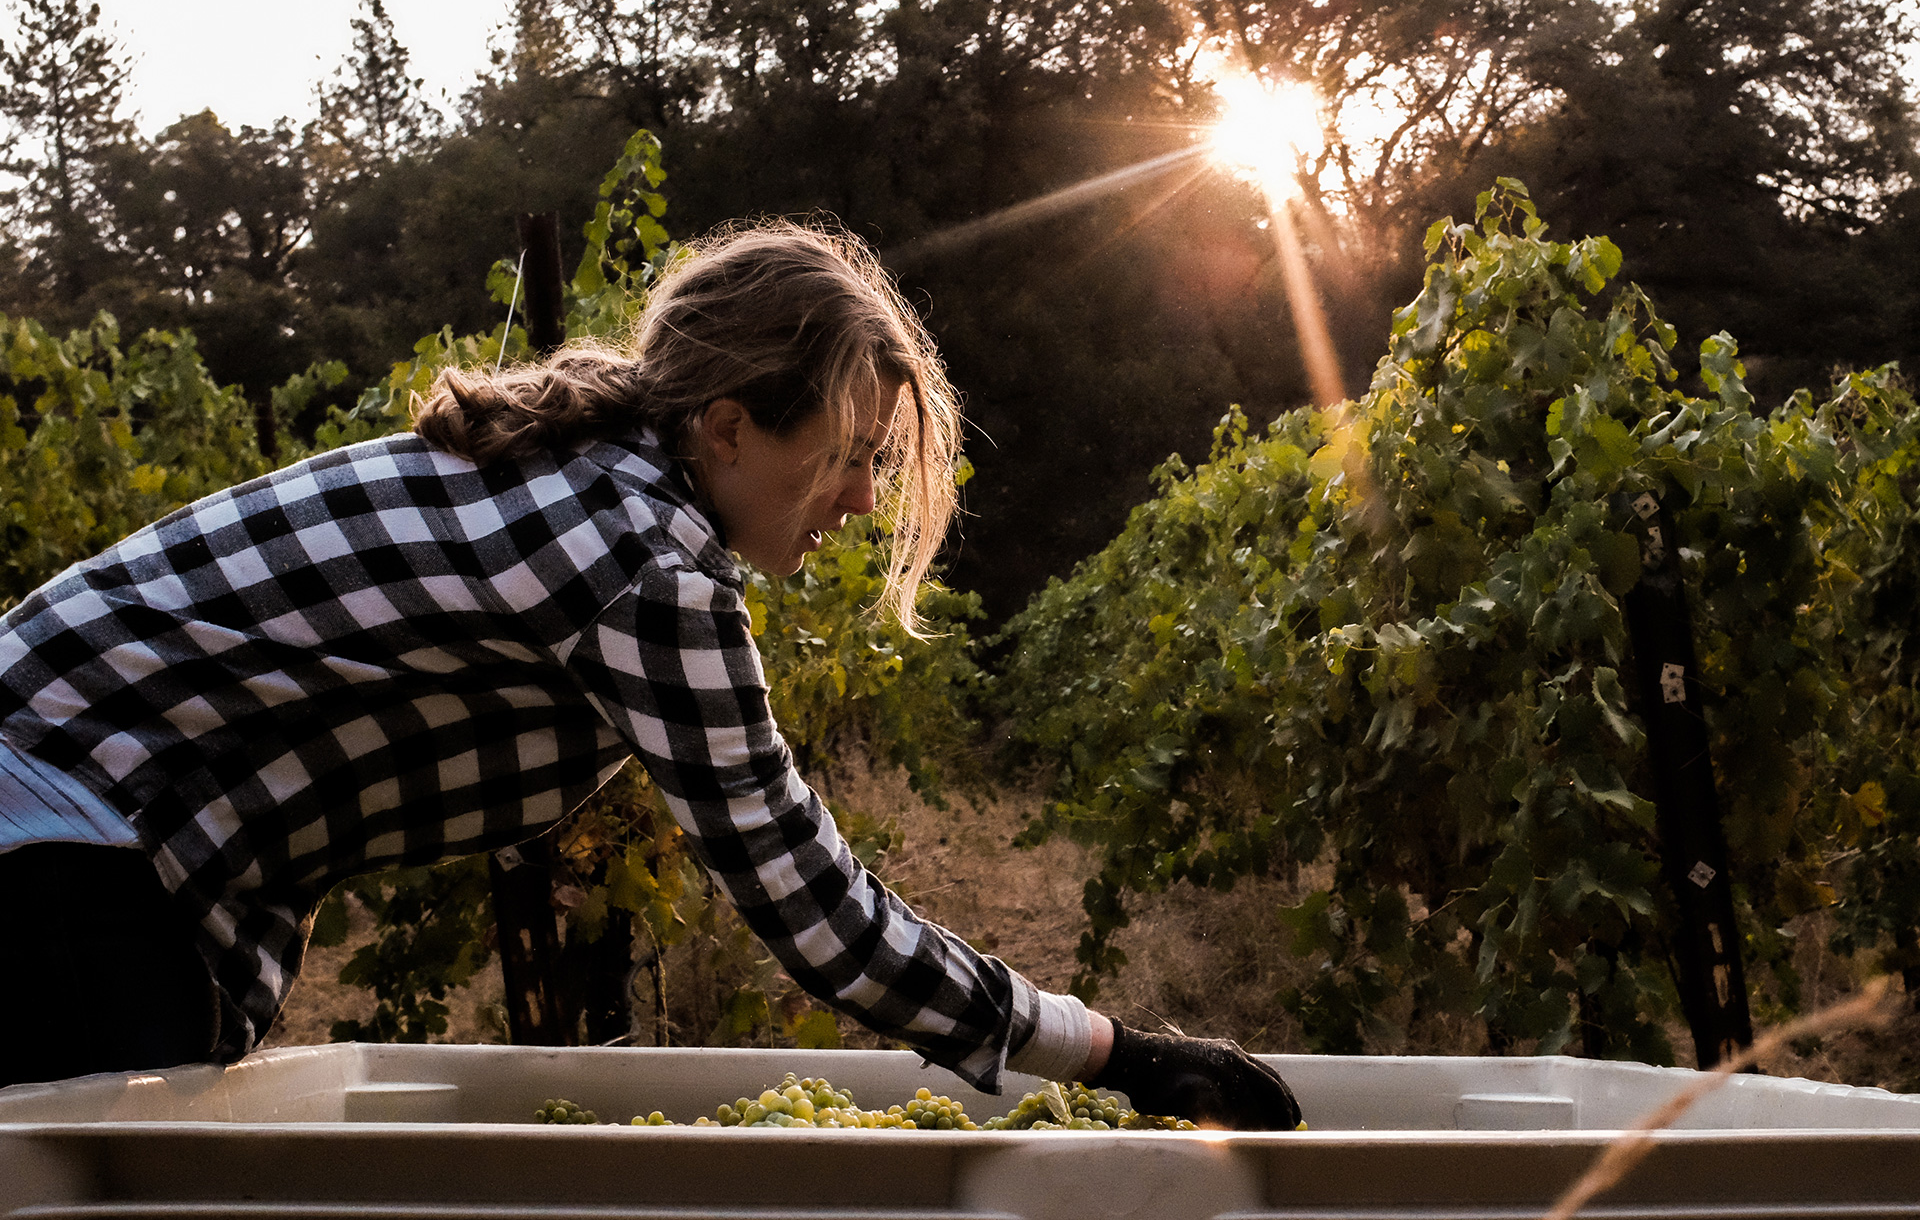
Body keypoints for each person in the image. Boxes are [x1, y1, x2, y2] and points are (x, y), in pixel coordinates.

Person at [0, 222, 1300, 1129]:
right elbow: (818, 910)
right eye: (848, 455)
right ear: (726, 426)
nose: (859, 499)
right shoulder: (644, 558)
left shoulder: (593, 478)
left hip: (85, 839)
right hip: (53, 831)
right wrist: (1118, 1055)